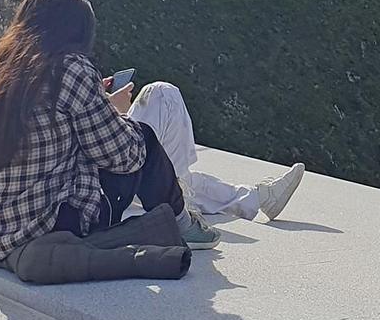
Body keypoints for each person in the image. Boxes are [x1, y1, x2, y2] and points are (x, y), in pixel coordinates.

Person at [0, 0, 202, 279]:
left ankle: (181, 216)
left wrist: (97, 102)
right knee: (142, 137)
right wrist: (115, 112)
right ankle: (182, 223)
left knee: (106, 138)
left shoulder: (0, 70)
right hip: (47, 225)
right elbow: (124, 156)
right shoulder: (68, 67)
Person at [125, 80, 306, 223]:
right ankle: (174, 192)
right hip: (106, 177)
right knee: (162, 93)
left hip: (108, 168)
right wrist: (109, 105)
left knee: (180, 179)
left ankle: (259, 198)